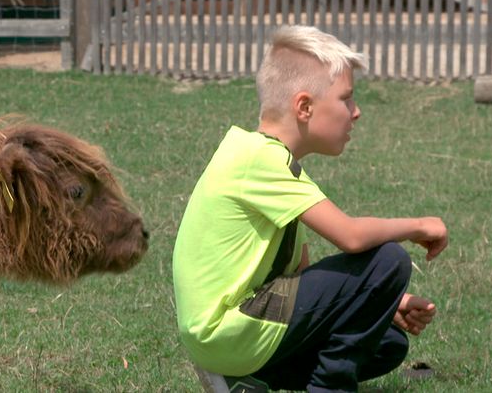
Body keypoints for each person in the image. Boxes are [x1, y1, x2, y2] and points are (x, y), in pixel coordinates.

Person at [172, 25, 448, 393]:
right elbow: (350, 237)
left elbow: (300, 277)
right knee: (389, 260)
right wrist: (419, 225)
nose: (357, 112)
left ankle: (245, 381)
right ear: (304, 107)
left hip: (228, 336)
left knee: (387, 345)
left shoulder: (264, 159)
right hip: (225, 331)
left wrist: (383, 299)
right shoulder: (260, 160)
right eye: (346, 99)